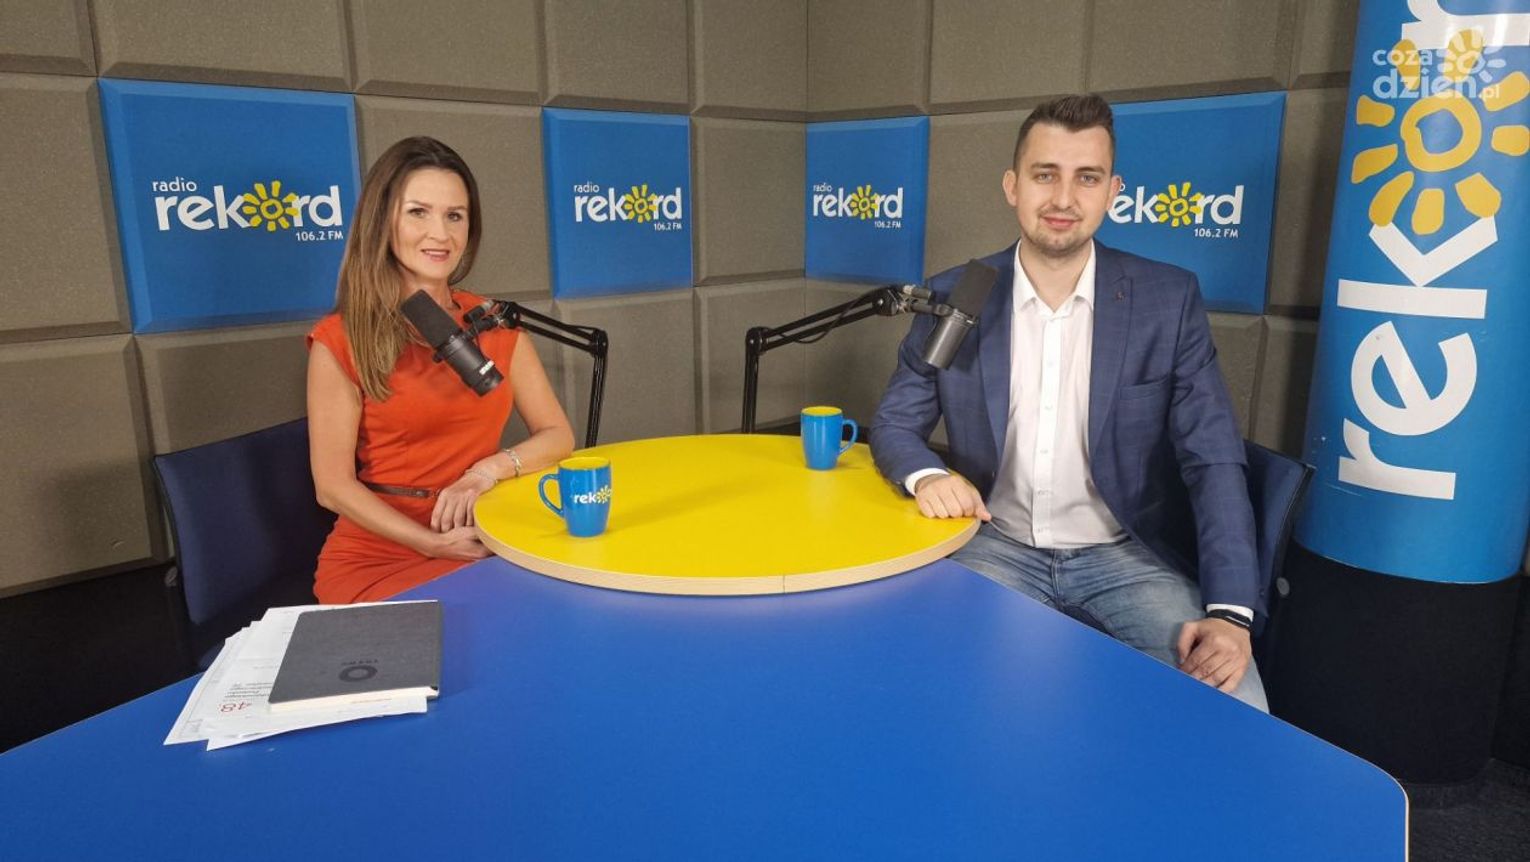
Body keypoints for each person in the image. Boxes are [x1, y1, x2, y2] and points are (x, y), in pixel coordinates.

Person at [869, 95, 1267, 710]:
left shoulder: (1167, 300)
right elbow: (897, 422)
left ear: (1112, 192)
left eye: (1086, 178)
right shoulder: (955, 294)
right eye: (1044, 175)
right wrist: (927, 476)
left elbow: (1212, 458)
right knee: (930, 696)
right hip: (991, 546)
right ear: (1013, 186)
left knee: (1240, 710)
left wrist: (1230, 613)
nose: (1063, 198)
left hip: (1127, 558)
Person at [306, 136, 574, 603]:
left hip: (481, 535)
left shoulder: (493, 322)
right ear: (382, 221)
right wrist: (430, 543)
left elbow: (558, 436)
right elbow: (332, 487)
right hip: (380, 556)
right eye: (418, 212)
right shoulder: (341, 338)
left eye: (455, 215)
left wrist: (487, 472)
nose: (441, 234)